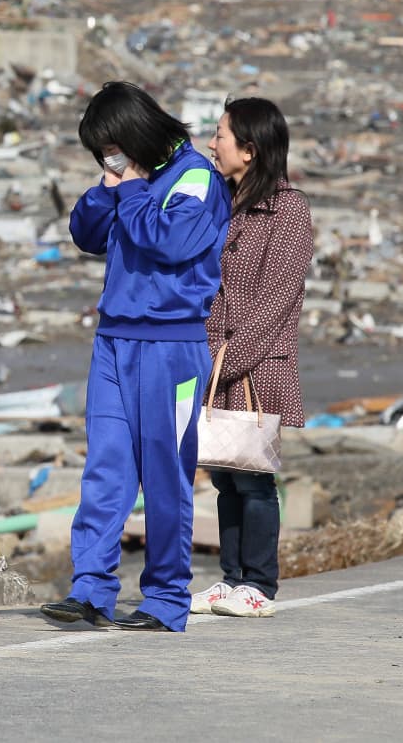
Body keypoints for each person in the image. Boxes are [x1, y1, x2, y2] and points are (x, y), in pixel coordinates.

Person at [41, 82, 231, 632]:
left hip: (171, 346)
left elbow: (168, 242)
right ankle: (91, 589)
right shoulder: (129, 181)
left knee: (166, 474)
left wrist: (133, 189)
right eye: (99, 153)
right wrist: (108, 186)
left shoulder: (194, 177)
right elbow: (86, 233)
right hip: (114, 341)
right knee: (105, 468)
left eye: (111, 147)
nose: (107, 158)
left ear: (135, 134)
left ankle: (167, 597)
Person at [192, 97, 314, 619]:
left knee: (255, 474)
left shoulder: (287, 209)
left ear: (251, 147)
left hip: (257, 365)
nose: (212, 144)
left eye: (221, 135)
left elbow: (278, 296)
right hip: (214, 357)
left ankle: (259, 583)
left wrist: (227, 357)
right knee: (224, 473)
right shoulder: (222, 201)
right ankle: (231, 577)